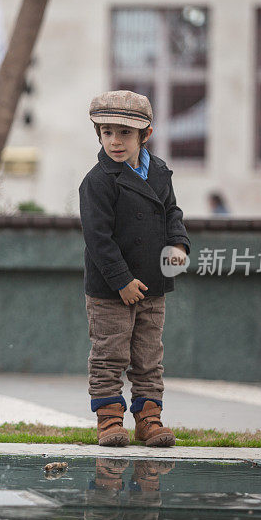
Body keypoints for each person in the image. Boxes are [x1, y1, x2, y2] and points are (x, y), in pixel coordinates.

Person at [79, 90, 191, 447]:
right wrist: (122, 280)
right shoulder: (97, 181)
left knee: (148, 357)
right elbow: (98, 239)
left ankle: (149, 418)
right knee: (110, 355)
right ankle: (110, 420)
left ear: (146, 135)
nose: (115, 141)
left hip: (153, 286)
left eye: (125, 133)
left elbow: (172, 212)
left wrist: (178, 244)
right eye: (107, 132)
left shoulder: (158, 172)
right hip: (112, 290)